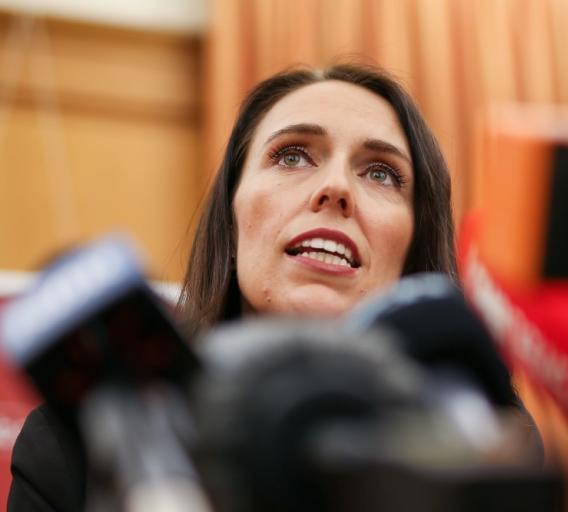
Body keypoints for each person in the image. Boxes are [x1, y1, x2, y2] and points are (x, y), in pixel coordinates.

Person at [7, 63, 534, 512]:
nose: (335, 188)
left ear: (415, 246)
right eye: (291, 156)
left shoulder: (480, 441)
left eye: (380, 173)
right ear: (231, 219)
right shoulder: (81, 440)